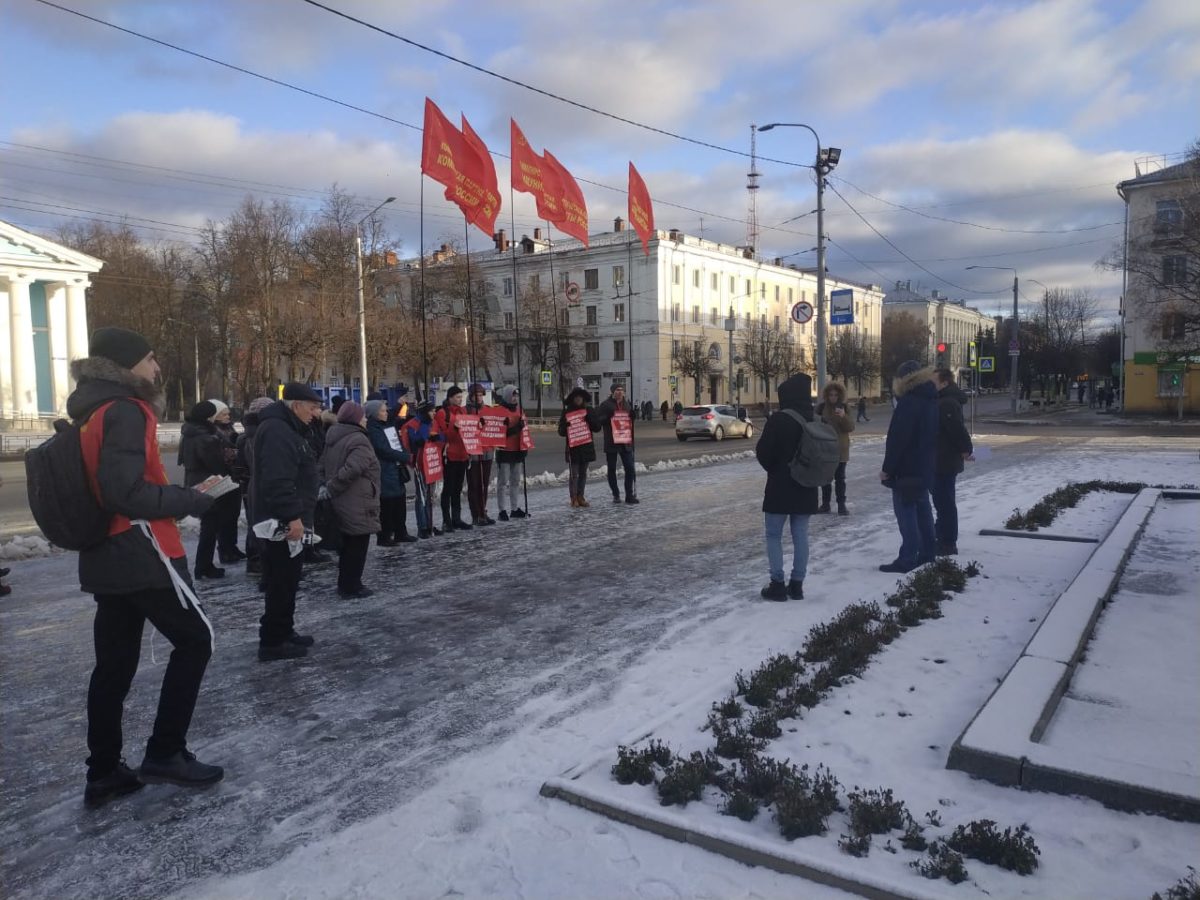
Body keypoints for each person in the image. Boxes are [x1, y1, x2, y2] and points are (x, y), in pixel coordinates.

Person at [67, 326, 223, 807]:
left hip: (105, 552)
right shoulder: (128, 410)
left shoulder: (90, 411)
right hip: (143, 548)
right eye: (151, 358)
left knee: (114, 664)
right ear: (126, 364)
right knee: (196, 641)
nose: (157, 368)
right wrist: (189, 499)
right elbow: (125, 492)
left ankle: (104, 770)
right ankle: (165, 751)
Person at [252, 382, 323, 661]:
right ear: (296, 406)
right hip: (280, 522)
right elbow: (279, 480)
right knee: (281, 580)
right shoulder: (278, 431)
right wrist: (292, 517)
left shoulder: (289, 428)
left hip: (287, 518)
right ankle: (273, 640)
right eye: (313, 408)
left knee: (288, 579)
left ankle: (283, 629)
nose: (316, 414)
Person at [755, 372, 818, 601]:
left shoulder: (779, 420)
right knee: (801, 534)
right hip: (807, 486)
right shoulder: (815, 419)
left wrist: (775, 469)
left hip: (780, 487)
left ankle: (777, 584)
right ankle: (797, 585)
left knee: (774, 535)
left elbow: (763, 453)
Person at [879, 360, 938, 573]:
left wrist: (887, 469)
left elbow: (898, 440)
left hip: (906, 470)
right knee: (923, 511)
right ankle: (928, 553)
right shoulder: (930, 400)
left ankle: (907, 558)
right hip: (924, 466)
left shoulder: (909, 402)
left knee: (906, 515)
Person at [320, 401, 381, 598]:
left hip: (343, 499)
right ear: (355, 419)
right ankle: (352, 585)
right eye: (362, 416)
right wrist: (333, 486)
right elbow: (354, 468)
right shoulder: (358, 439)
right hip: (358, 498)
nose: (365, 419)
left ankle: (346, 583)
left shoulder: (333, 436)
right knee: (358, 544)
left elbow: (321, 466)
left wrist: (328, 486)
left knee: (348, 544)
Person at [179, 400, 232, 580]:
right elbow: (215, 464)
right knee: (210, 526)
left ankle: (204, 565)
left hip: (193, 479)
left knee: (208, 525)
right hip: (209, 484)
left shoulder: (188, 433)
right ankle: (204, 566)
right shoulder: (205, 437)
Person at [932, 368, 974, 556]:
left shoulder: (946, 403)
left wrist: (966, 450)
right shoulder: (944, 400)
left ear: (944, 383)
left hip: (944, 460)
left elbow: (957, 430)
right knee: (943, 501)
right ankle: (941, 535)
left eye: (933, 381)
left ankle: (948, 543)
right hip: (942, 459)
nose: (930, 384)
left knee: (945, 503)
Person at [365, 399, 416, 546]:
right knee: (387, 504)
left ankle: (401, 532)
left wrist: (405, 454)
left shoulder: (388, 425)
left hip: (396, 468)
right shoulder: (373, 429)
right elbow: (383, 449)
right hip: (384, 469)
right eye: (382, 411)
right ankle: (385, 536)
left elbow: (397, 443)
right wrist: (405, 457)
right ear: (375, 414)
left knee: (400, 501)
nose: (386, 413)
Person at [235, 396, 274, 576]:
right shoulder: (260, 434)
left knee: (255, 523)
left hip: (249, 484)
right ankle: (259, 562)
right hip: (259, 484)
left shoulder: (245, 436)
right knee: (261, 525)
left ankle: (255, 560)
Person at [400, 399, 444, 537]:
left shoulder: (433, 422)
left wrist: (437, 438)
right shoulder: (414, 424)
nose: (434, 413)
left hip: (432, 462)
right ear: (425, 412)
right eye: (432, 411)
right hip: (420, 463)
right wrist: (425, 435)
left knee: (430, 496)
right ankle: (422, 526)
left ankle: (430, 523)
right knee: (422, 496)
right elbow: (415, 441)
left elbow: (441, 437)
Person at [435, 386, 473, 531]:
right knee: (448, 488)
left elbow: (469, 431)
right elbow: (442, 435)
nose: (460, 399)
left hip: (462, 455)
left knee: (457, 489)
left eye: (461, 397)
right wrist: (454, 428)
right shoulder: (442, 413)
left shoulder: (463, 411)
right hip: (449, 456)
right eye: (457, 397)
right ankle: (447, 520)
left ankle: (457, 518)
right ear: (450, 398)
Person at [815, 381, 855, 515]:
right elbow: (814, 426)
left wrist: (843, 417)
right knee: (825, 479)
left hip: (840, 450)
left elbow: (850, 427)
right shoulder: (821, 408)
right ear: (826, 395)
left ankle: (841, 505)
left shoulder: (844, 407)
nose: (833, 397)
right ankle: (825, 504)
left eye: (836, 395)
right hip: (825, 449)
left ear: (840, 395)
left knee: (840, 479)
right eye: (830, 394)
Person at [558, 386, 600, 507]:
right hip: (573, 447)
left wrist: (590, 420)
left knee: (583, 473)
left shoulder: (589, 410)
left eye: (580, 397)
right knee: (574, 474)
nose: (578, 399)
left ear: (583, 398)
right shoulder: (567, 412)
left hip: (586, 446)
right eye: (576, 397)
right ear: (572, 399)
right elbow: (560, 432)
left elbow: (597, 427)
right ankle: (573, 497)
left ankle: (581, 496)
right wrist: (565, 426)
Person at [596, 382, 638, 504]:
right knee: (612, 469)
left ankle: (629, 495)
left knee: (630, 467)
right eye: (617, 390)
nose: (620, 392)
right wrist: (607, 417)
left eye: (622, 390)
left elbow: (628, 421)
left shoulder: (626, 404)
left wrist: (633, 417)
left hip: (625, 441)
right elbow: (598, 422)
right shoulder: (605, 405)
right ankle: (616, 494)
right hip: (612, 442)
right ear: (612, 392)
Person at [494, 385, 528, 520]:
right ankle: (502, 510)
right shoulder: (501, 411)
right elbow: (499, 432)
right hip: (505, 451)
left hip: (517, 450)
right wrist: (514, 428)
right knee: (503, 482)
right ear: (508, 396)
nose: (515, 398)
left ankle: (514, 508)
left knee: (515, 481)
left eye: (516, 396)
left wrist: (525, 446)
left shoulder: (520, 411)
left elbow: (525, 431)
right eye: (513, 395)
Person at [465, 383, 495, 527]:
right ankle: (475, 514)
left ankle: (483, 511)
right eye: (475, 395)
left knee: (484, 484)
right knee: (474, 484)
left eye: (480, 394)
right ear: (471, 396)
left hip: (487, 450)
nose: (478, 397)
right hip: (473, 452)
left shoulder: (488, 410)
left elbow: (495, 428)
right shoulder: (466, 411)